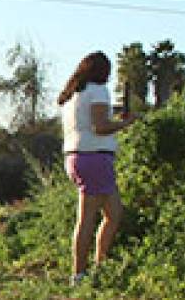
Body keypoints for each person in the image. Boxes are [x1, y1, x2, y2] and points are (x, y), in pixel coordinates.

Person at [57, 50, 135, 286]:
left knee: (114, 213)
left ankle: (98, 268)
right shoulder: (98, 90)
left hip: (75, 156)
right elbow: (100, 127)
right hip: (95, 158)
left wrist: (114, 119)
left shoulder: (72, 96)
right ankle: (80, 274)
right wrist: (125, 123)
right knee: (88, 218)